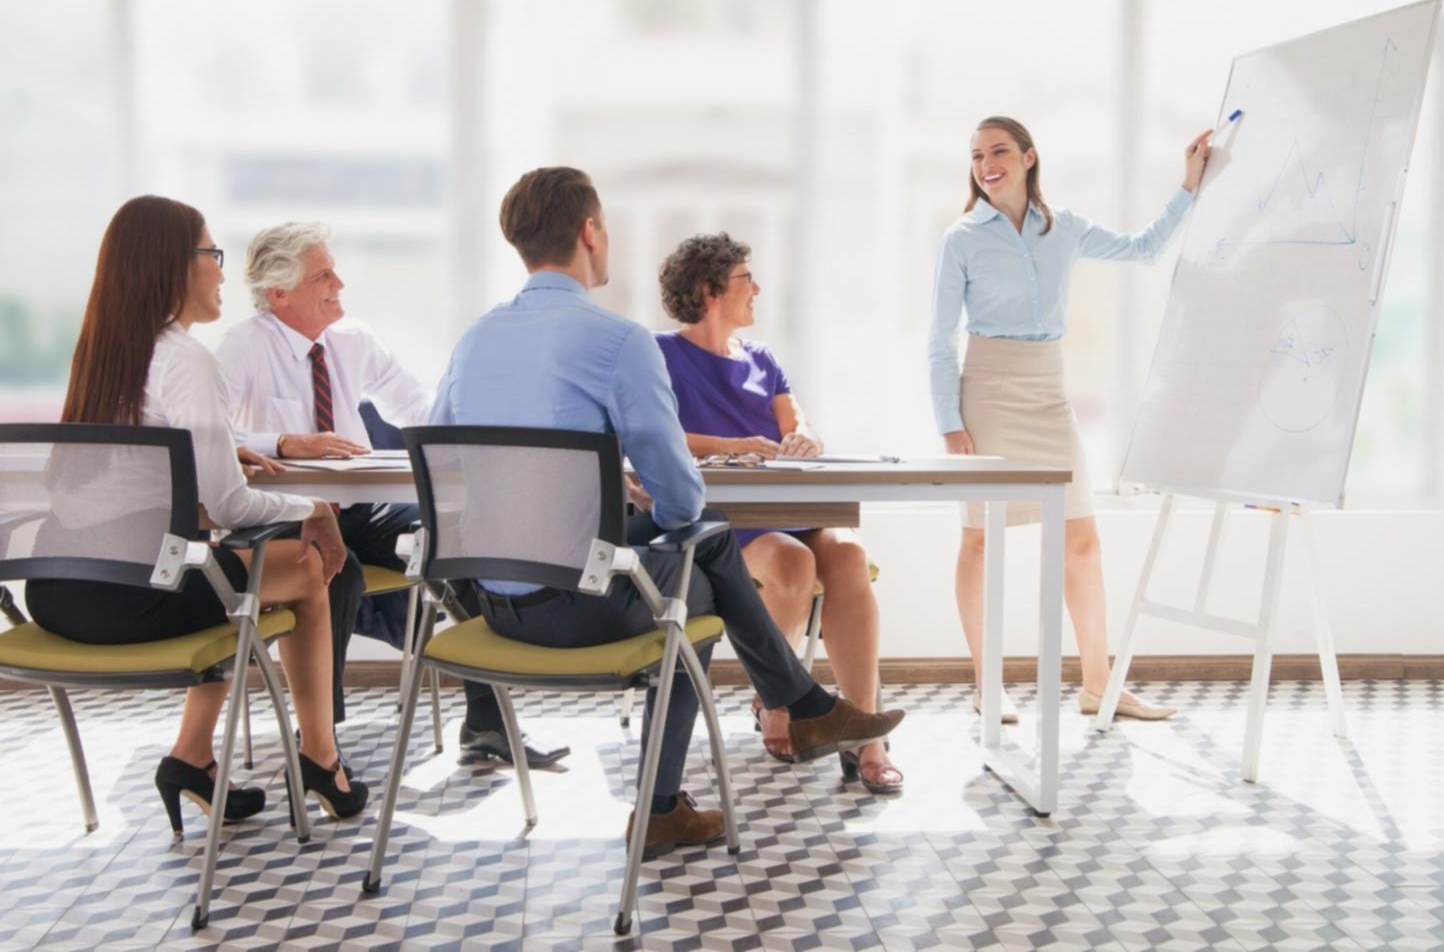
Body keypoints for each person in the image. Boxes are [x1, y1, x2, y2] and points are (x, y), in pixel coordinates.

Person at [432, 166, 904, 855]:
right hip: (581, 607)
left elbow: (448, 471)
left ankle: (791, 717)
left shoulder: (474, 340)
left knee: (700, 556)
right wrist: (641, 496)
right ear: (591, 232)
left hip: (490, 606)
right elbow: (681, 499)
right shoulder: (618, 340)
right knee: (699, 562)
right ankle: (766, 732)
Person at [25, 195, 368, 833]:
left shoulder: (104, 352)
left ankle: (192, 758)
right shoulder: (187, 359)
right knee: (310, 565)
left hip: (56, 591)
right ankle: (321, 760)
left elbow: (139, 478)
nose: (219, 271)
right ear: (172, 266)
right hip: (134, 598)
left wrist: (211, 457)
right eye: (210, 254)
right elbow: (233, 506)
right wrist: (315, 505)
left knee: (237, 577)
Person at [215, 223, 566, 768]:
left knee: (458, 539)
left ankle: (487, 722)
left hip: (356, 511)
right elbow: (209, 438)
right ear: (279, 293)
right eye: (323, 275)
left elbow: (417, 409)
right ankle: (319, 750)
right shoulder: (241, 347)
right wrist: (282, 442)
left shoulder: (352, 339)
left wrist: (483, 440)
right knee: (330, 572)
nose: (340, 283)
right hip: (284, 518)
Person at [929, 116, 1211, 722]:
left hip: (1048, 391)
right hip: (987, 391)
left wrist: (1188, 186)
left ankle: (1098, 685)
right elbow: (938, 340)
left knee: (1082, 540)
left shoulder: (1065, 228)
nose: (986, 164)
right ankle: (986, 684)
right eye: (977, 155)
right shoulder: (961, 238)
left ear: (1029, 157)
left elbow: (1144, 250)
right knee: (979, 542)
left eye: (999, 151)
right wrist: (950, 422)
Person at [654, 233, 902, 794]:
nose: (757, 289)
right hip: (727, 520)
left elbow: (799, 422)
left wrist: (804, 440)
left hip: (793, 502)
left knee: (848, 554)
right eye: (746, 279)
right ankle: (779, 699)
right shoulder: (661, 354)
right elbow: (656, 435)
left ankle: (866, 734)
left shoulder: (762, 357)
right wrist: (730, 444)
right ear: (710, 290)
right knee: (791, 562)